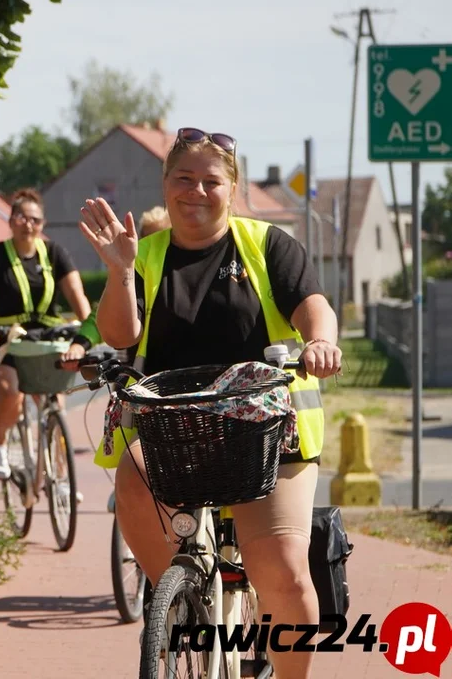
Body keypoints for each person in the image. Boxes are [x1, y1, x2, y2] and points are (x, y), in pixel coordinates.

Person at [80, 127, 342, 679]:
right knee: (133, 478)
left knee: (284, 572)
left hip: (269, 430)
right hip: (176, 431)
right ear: (165, 183)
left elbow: (312, 304)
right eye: (183, 178)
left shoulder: (267, 244)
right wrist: (120, 270)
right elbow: (120, 335)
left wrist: (319, 340)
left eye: (211, 181)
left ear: (233, 188)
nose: (196, 191)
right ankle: (179, 607)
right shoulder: (145, 254)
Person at [0, 188, 93, 480]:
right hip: (4, 342)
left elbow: (78, 295)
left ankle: (60, 480)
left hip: (45, 342)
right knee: (10, 391)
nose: (29, 224)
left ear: (43, 224)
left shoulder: (54, 254)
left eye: (35, 219)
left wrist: (90, 330)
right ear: (11, 221)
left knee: (56, 404)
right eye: (22, 217)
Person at [63, 205, 172, 361]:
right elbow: (102, 317)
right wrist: (80, 344)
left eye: (161, 239)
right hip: (140, 379)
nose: (154, 246)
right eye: (148, 239)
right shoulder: (132, 274)